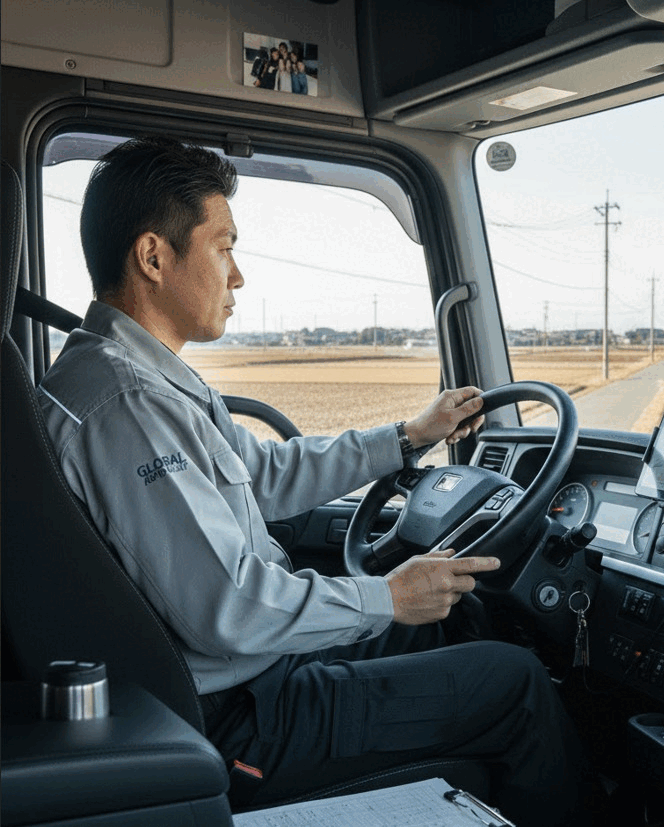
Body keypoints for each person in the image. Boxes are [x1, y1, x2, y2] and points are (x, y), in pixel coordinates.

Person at [38, 136, 592, 826]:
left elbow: (264, 473)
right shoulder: (126, 407)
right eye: (223, 247)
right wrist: (386, 595)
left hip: (240, 676)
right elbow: (231, 606)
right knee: (517, 683)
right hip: (238, 718)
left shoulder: (139, 381)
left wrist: (405, 437)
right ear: (154, 256)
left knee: (457, 620)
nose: (237, 275)